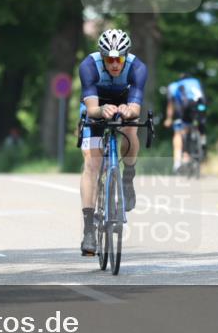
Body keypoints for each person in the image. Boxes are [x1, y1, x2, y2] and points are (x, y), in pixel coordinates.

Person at [78, 29, 148, 256]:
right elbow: (91, 109)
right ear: (102, 56)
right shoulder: (89, 66)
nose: (115, 64)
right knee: (91, 164)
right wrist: (101, 110)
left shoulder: (137, 68)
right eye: (110, 59)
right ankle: (89, 229)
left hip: (124, 101)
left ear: (126, 56)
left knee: (130, 128)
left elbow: (136, 107)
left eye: (119, 59)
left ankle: (128, 176)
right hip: (97, 104)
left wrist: (129, 109)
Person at [163, 73, 207, 174]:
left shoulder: (175, 86)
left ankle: (181, 159)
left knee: (179, 131)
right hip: (201, 106)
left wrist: (169, 119)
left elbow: (171, 105)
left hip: (186, 108)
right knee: (200, 123)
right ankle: (203, 141)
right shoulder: (196, 82)